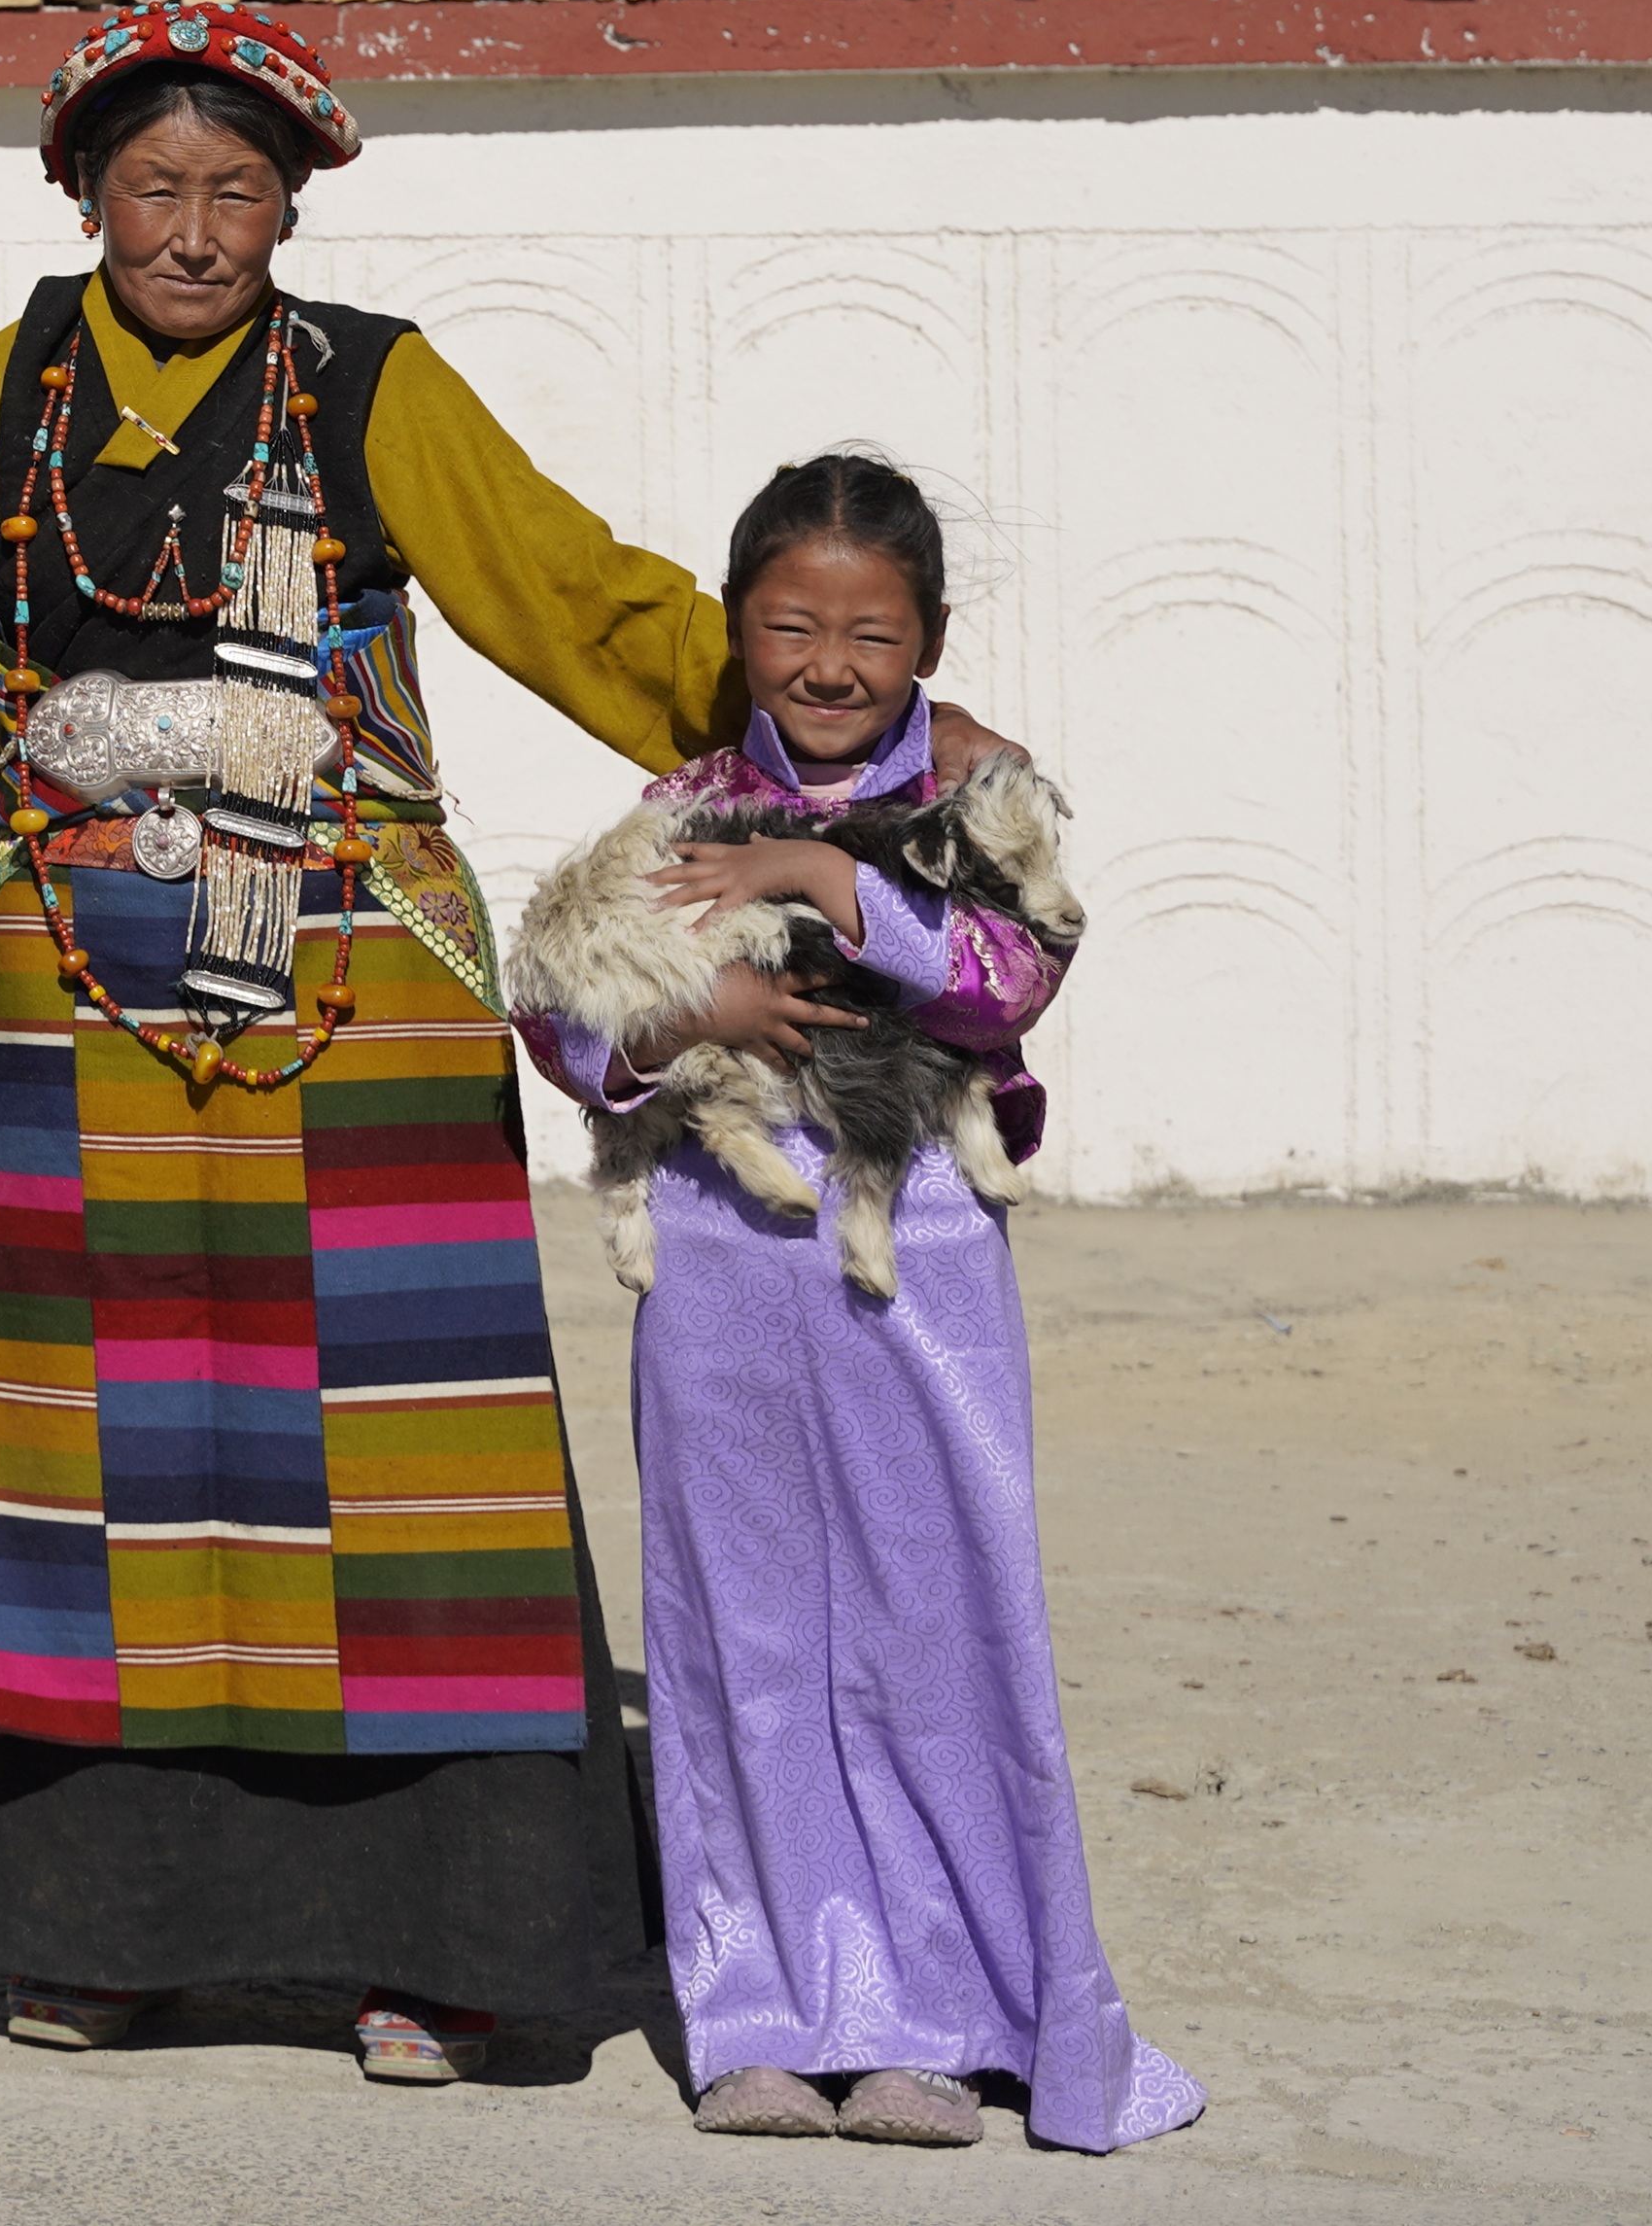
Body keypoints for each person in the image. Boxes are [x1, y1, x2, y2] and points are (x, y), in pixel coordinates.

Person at [0, 5, 732, 2083]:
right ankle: (99, 1932)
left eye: (233, 189)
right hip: (54, 1000)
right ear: (83, 194)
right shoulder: (13, 384)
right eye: (151, 187)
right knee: (92, 1468)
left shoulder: (369, 382)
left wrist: (799, 724)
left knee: (388, 1455)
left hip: (342, 994)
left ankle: (432, 1949)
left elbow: (563, 593)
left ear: (292, 199)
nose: (189, 229)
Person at [526, 455, 1202, 2155]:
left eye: (871, 635)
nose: (829, 666)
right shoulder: (675, 813)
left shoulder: (987, 803)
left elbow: (1011, 978)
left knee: (934, 1616)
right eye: (789, 626)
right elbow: (559, 1015)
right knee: (733, 1623)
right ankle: (755, 2002)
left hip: (925, 1262)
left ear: (931, 641)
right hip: (722, 1265)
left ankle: (936, 2014)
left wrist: (842, 888)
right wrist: (705, 1007)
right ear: (739, 628)